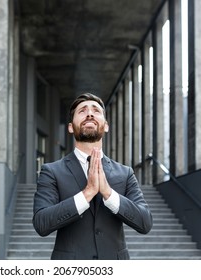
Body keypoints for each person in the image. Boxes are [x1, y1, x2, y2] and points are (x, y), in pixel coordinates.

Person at [33, 92, 153, 260]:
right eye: (82, 111)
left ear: (105, 125)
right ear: (70, 127)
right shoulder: (51, 171)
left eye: (96, 110)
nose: (89, 113)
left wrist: (109, 194)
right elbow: (41, 223)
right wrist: (87, 193)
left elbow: (145, 222)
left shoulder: (125, 173)